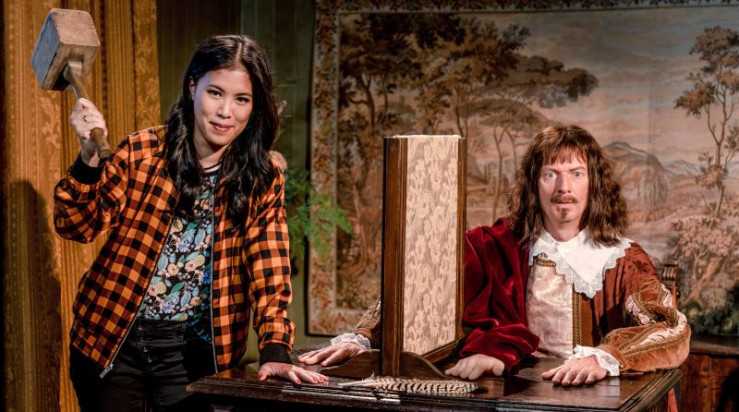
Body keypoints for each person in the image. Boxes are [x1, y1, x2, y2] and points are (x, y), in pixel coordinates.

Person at [299, 125, 690, 388]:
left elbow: (671, 328)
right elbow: (423, 285)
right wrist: (365, 337)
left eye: (576, 173)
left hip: (590, 399)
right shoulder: (498, 245)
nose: (563, 188)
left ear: (594, 184)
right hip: (511, 391)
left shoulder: (622, 260)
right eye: (550, 174)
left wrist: (605, 357)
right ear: (534, 184)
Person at [54, 35, 327, 412]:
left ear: (255, 106)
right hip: (111, 340)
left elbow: (270, 269)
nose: (225, 112)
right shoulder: (143, 152)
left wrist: (275, 348)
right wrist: (88, 161)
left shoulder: (262, 178)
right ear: (193, 87)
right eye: (215, 93)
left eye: (241, 99)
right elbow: (75, 227)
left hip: (195, 353)